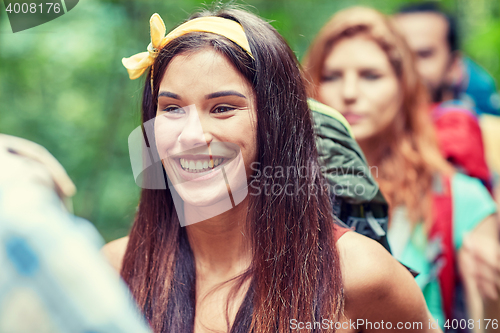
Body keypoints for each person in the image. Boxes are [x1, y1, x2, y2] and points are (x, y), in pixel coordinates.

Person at [102, 6, 439, 333]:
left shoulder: (358, 273)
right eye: (172, 109)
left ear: (275, 123)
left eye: (222, 108)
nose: (191, 137)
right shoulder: (113, 270)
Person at [302, 6, 500, 331]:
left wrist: (491, 300)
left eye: (371, 76)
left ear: (404, 86)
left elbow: (487, 324)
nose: (349, 93)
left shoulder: (464, 199)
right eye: (332, 76)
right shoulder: (286, 195)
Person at [394, 2, 494, 193]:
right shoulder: (365, 134)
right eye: (398, 56)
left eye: (424, 55)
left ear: (454, 66)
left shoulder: (491, 139)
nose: (409, 68)